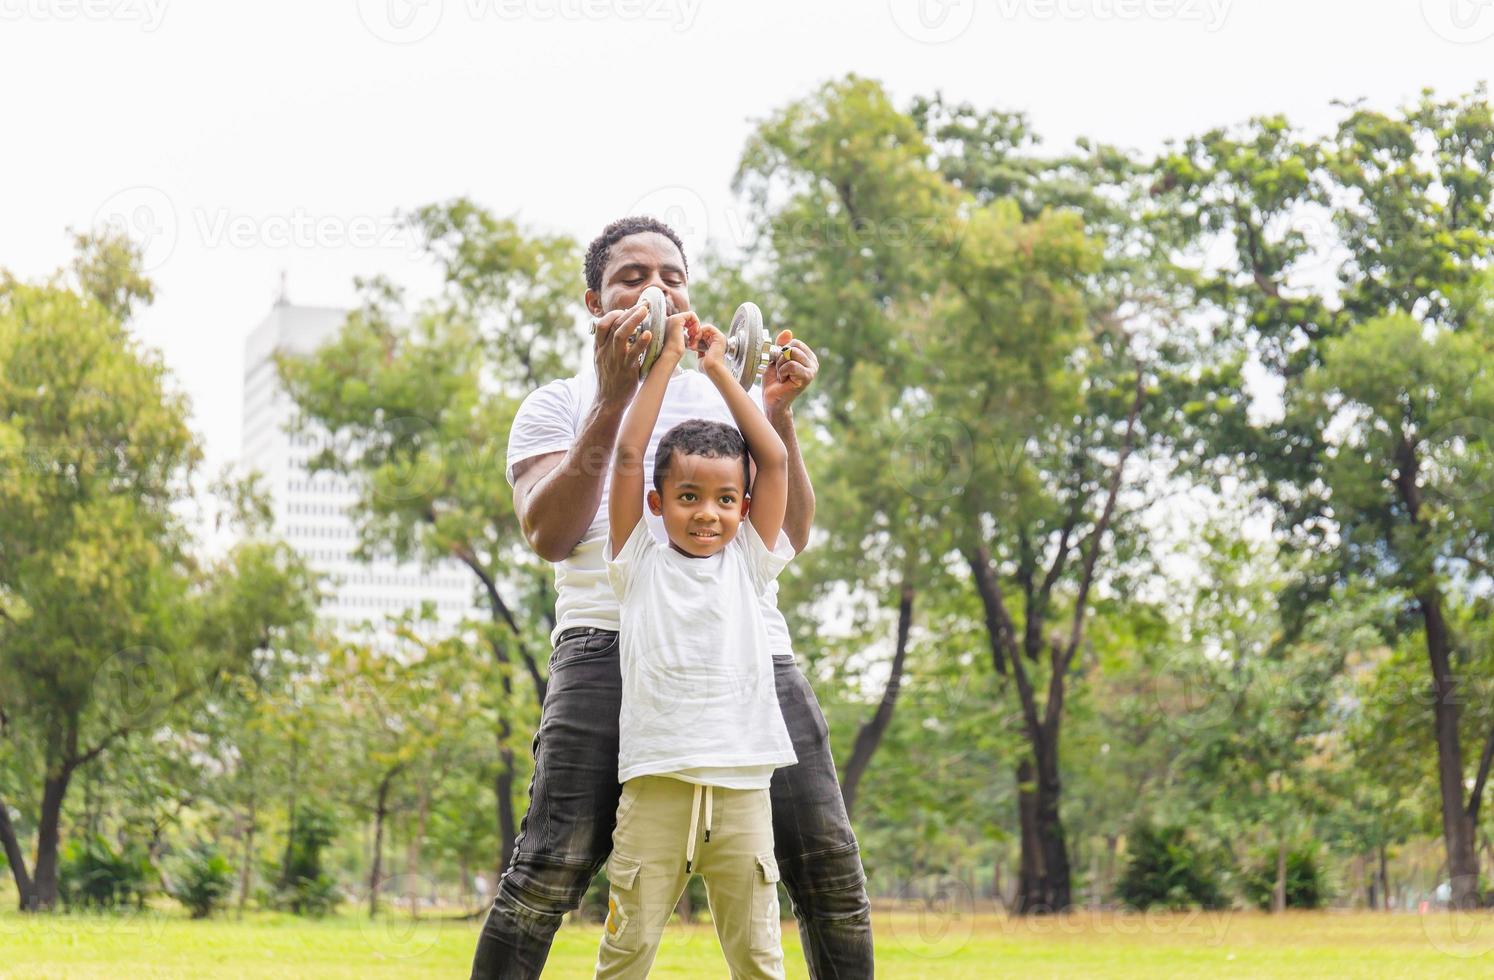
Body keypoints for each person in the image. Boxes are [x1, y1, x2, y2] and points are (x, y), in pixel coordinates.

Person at [470, 216, 874, 979]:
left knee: (830, 870)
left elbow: (789, 528)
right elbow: (549, 533)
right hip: (605, 642)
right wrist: (613, 396)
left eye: (672, 277)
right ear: (595, 301)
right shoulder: (555, 405)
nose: (656, 288)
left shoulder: (728, 398)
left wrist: (776, 409)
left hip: (747, 649)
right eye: (632, 277)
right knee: (546, 873)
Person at [595, 310, 796, 977]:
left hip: (742, 789)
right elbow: (627, 454)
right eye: (687, 496)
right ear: (657, 503)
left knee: (760, 958)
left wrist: (720, 372)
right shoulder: (638, 560)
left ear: (743, 507)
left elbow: (770, 457)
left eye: (723, 500)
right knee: (625, 953)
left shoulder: (749, 560)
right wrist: (668, 361)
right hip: (657, 787)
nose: (707, 513)